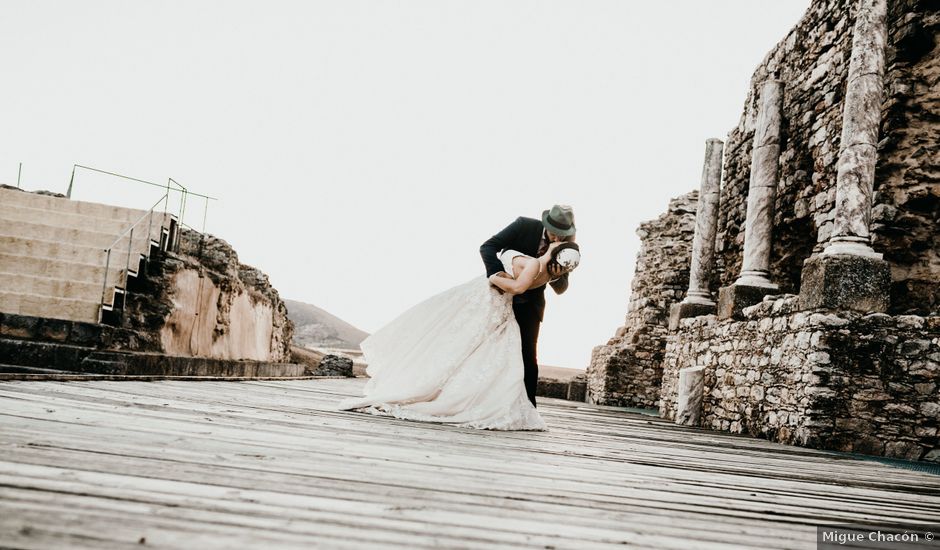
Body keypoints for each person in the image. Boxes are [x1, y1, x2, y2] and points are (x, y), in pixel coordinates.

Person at [338, 240, 580, 431]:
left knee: (452, 343)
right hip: (498, 308)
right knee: (475, 351)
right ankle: (454, 392)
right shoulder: (549, 274)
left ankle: (432, 391)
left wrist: (494, 276)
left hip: (489, 299)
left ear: (555, 248)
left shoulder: (535, 265)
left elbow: (517, 288)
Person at [479, 204, 576, 407]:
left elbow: (562, 288)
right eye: (554, 233)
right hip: (499, 295)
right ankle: (484, 400)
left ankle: (529, 407)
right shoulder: (524, 225)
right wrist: (497, 273)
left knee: (528, 357)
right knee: (487, 349)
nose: (557, 239)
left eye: (562, 235)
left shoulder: (566, 249)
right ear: (546, 224)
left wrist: (557, 276)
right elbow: (487, 247)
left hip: (531, 305)